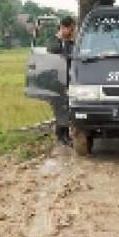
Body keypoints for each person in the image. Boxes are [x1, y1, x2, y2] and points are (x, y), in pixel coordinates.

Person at [46, 16, 76, 145]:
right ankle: (61, 136)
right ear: (64, 27)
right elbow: (55, 52)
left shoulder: (69, 42)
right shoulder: (54, 42)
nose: (72, 32)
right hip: (57, 80)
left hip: (68, 79)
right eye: (71, 29)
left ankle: (65, 134)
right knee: (60, 108)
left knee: (66, 107)